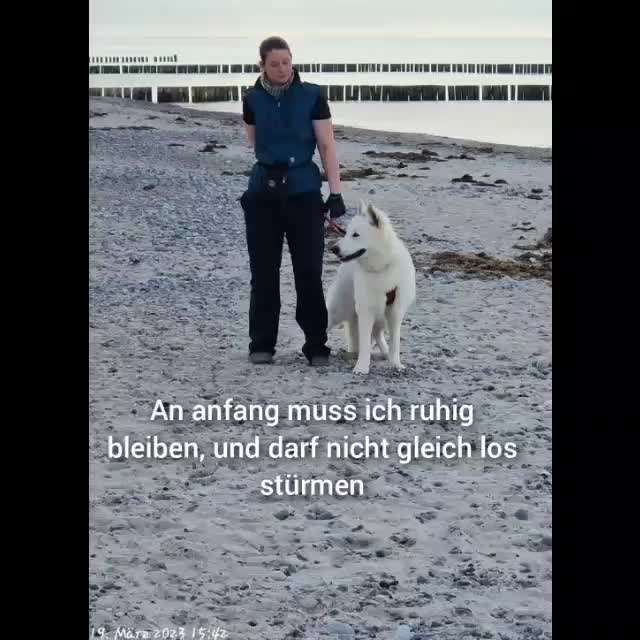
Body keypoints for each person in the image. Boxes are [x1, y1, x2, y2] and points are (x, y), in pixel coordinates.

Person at [239, 35, 346, 366]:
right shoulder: (252, 99)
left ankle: (316, 346)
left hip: (303, 195)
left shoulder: (312, 96)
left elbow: (326, 145)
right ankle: (261, 345)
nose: (282, 69)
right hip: (263, 197)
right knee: (264, 273)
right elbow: (255, 143)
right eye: (274, 64)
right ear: (262, 66)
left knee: (309, 273)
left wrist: (336, 193)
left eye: (287, 62)